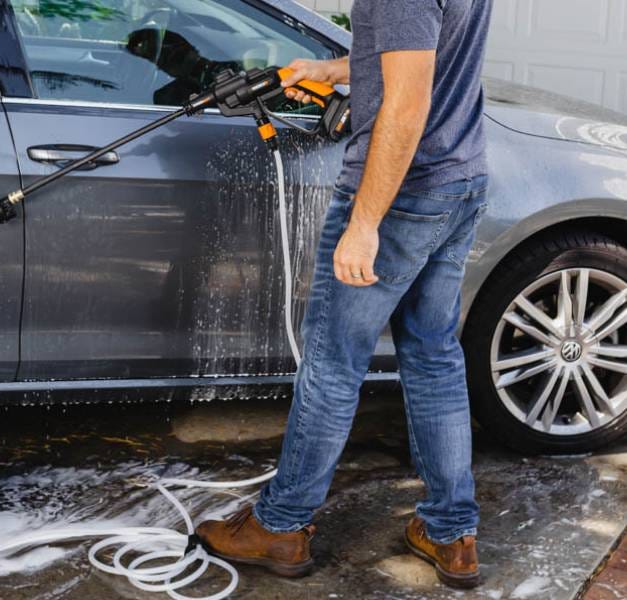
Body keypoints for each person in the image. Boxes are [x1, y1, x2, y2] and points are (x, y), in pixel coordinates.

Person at [195, 0, 492, 590]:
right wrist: (334, 70)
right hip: (460, 178)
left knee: (333, 364)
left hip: (404, 195)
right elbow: (423, 59)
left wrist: (364, 223)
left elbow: (407, 105)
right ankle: (450, 531)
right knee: (434, 357)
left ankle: (280, 525)